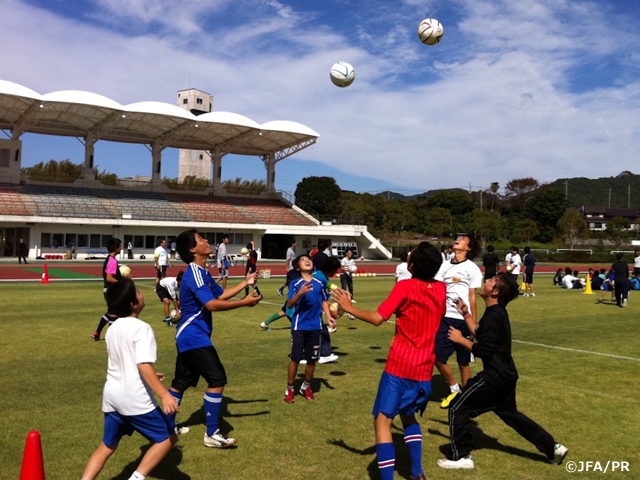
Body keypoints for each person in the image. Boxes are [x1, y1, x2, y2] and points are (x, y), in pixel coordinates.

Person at [332, 242, 446, 480]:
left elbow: (377, 318)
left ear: (411, 266)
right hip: (425, 368)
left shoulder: (405, 287)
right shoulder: (441, 289)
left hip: (400, 365)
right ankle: (417, 472)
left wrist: (348, 308)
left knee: (382, 421)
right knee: (408, 416)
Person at [436, 273, 569, 469]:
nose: (486, 281)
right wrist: (465, 314)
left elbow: (483, 350)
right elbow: (481, 334)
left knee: (457, 408)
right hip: (507, 375)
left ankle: (462, 457)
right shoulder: (495, 312)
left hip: (494, 376)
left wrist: (460, 339)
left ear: (495, 291)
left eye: (491, 281)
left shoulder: (494, 315)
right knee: (510, 414)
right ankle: (553, 447)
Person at [167, 229, 261, 449]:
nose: (207, 241)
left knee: (181, 383)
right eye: (201, 239)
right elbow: (212, 305)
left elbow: (219, 295)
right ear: (192, 249)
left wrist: (245, 283)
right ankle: (212, 433)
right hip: (194, 336)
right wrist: (243, 303)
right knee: (217, 379)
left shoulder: (202, 272)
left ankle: (166, 426)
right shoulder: (195, 272)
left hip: (188, 336)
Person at [81, 279, 180, 480]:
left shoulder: (112, 329)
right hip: (135, 400)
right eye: (138, 292)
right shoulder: (142, 328)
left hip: (112, 397)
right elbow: (143, 365)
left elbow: (126, 362)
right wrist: (164, 395)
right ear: (133, 304)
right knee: (168, 438)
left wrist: (152, 375)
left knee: (107, 446)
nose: (143, 294)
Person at [435, 234, 482, 409]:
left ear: (468, 248)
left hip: (463, 320)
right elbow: (439, 290)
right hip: (445, 319)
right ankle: (455, 388)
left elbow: (472, 297)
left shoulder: (472, 268)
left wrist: (473, 325)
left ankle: (467, 399)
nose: (458, 239)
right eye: (458, 237)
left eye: (463, 238)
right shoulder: (444, 265)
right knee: (437, 357)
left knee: (464, 362)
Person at [284, 254, 338, 403]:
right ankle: (290, 388)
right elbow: (289, 304)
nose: (307, 260)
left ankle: (306, 386)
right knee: (295, 358)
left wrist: (329, 317)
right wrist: (300, 293)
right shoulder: (295, 283)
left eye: (309, 259)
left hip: (315, 326)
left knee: (312, 359)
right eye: (303, 260)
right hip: (299, 326)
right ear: (297, 267)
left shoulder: (319, 282)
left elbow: (324, 301)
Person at [91, 238, 123, 341]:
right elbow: (109, 278)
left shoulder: (110, 259)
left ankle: (97, 333)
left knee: (110, 313)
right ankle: (112, 338)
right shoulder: (112, 261)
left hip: (107, 289)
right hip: (111, 290)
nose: (121, 248)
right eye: (120, 246)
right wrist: (122, 282)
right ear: (116, 248)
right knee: (114, 314)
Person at [316, 256, 341, 363]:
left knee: (316, 331)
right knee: (322, 331)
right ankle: (324, 354)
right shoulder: (321, 279)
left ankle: (308, 354)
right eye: (335, 270)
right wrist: (329, 316)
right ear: (331, 269)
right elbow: (323, 300)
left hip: (310, 308)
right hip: (311, 309)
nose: (335, 273)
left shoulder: (319, 275)